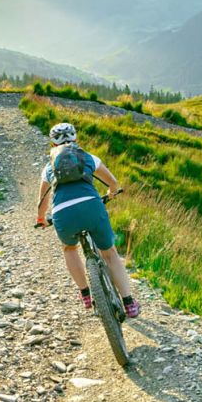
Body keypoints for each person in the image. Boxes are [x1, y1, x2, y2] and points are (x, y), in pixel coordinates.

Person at [35, 122, 141, 317]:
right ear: (76, 139)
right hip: (91, 206)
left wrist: (41, 219)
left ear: (52, 146)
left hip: (62, 213)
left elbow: (42, 201)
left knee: (69, 248)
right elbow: (113, 183)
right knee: (109, 253)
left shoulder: (48, 168)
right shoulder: (88, 157)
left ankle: (85, 294)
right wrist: (110, 195)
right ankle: (129, 302)